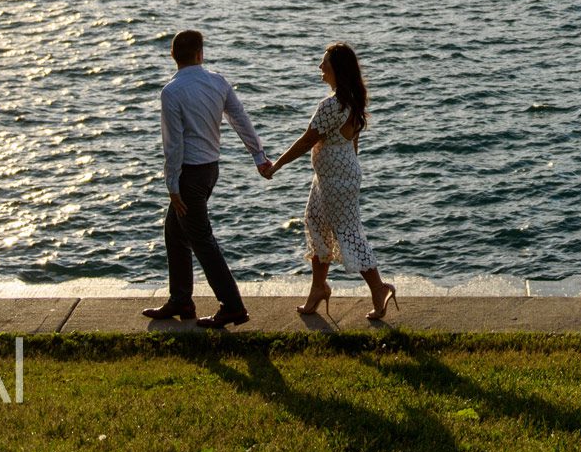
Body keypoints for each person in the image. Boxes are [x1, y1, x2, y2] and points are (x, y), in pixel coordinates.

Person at [143, 29, 269, 329]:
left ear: (173, 56)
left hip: (189, 175)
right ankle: (181, 299)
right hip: (210, 170)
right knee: (174, 232)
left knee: (201, 239)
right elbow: (240, 119)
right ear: (201, 54)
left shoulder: (171, 91)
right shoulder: (218, 82)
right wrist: (258, 156)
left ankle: (233, 306)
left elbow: (173, 145)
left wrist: (172, 185)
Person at [267, 43, 396, 321]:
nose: (320, 68)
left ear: (337, 69)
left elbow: (306, 140)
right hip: (333, 177)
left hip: (336, 180)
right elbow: (353, 143)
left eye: (324, 63)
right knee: (315, 223)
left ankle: (379, 288)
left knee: (348, 233)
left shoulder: (331, 105)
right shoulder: (352, 100)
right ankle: (318, 288)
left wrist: (276, 165)